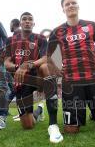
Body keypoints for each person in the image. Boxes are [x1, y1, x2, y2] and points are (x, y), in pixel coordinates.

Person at [47, 0, 95, 134]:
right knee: (71, 130)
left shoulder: (91, 25)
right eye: (67, 4)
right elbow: (49, 56)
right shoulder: (57, 31)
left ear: (78, 6)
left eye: (73, 3)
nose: (71, 5)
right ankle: (91, 113)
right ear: (63, 9)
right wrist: (55, 68)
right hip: (72, 82)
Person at [4, 12, 63, 143]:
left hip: (37, 76)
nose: (27, 21)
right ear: (20, 23)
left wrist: (28, 65)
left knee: (45, 67)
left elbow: (45, 57)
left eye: (30, 19)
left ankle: (53, 123)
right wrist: (18, 68)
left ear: (34, 23)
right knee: (28, 125)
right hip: (21, 81)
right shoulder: (10, 40)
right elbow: (6, 62)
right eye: (24, 19)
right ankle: (39, 110)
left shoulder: (40, 38)